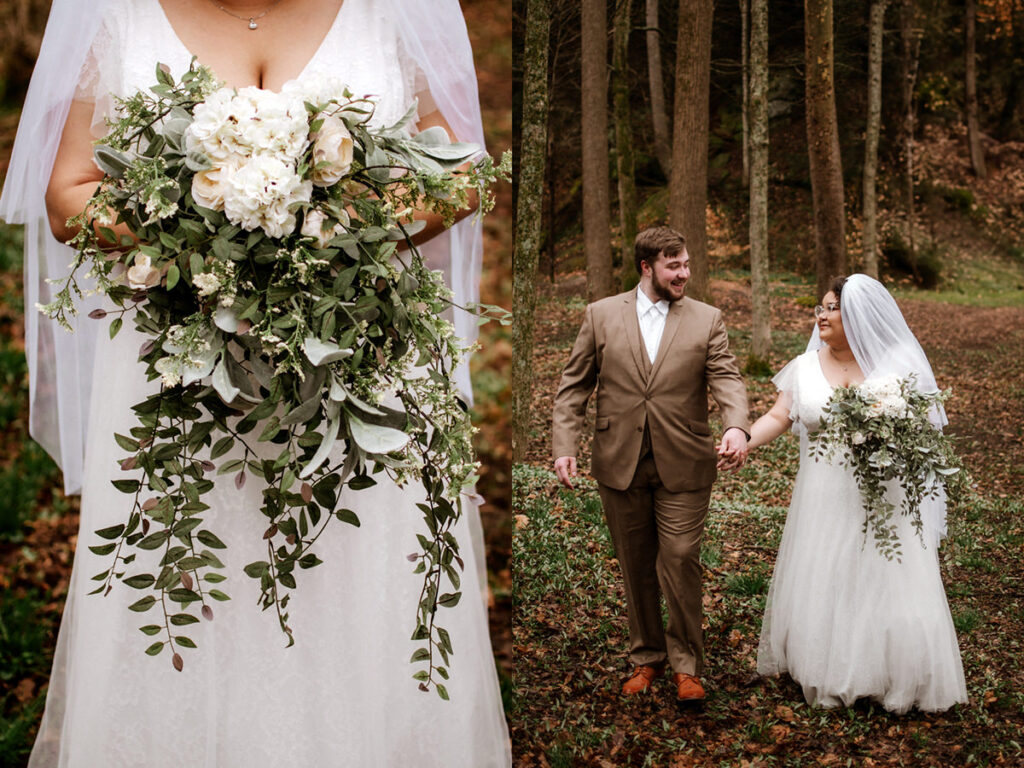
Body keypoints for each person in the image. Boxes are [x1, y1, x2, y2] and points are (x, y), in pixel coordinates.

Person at [0, 0, 512, 765]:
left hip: (359, 367)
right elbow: (69, 191)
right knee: (192, 601)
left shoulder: (393, 12)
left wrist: (329, 232)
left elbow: (460, 173)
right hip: (177, 377)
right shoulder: (118, 16)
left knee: (353, 599)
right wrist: (204, 243)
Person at [747, 274, 967, 713]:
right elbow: (779, 414)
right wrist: (742, 442)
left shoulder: (894, 367)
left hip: (880, 499)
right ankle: (827, 668)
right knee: (827, 572)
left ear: (859, 317)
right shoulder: (805, 365)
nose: (821, 316)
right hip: (823, 495)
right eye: (821, 308)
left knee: (882, 576)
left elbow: (925, 432)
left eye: (832, 308)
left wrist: (891, 437)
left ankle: (893, 673)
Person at [551, 226, 750, 706]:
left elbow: (726, 377)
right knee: (635, 564)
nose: (684, 274)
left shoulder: (707, 319)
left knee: (679, 558)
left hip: (684, 461)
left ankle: (687, 666)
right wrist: (565, 443)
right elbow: (574, 384)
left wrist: (736, 426)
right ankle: (646, 655)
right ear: (646, 267)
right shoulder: (600, 315)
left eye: (686, 264)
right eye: (673, 266)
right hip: (619, 460)